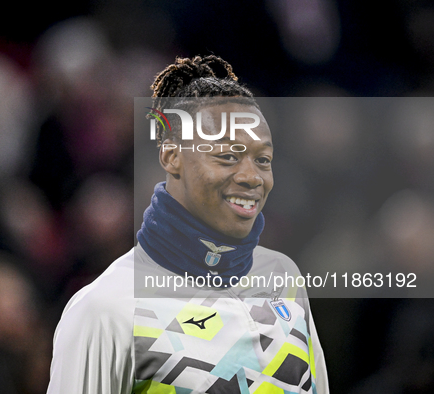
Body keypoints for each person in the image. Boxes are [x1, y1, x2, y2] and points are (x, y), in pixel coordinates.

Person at [47, 55, 329, 393]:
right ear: (171, 156)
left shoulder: (283, 276)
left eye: (262, 159)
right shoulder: (105, 309)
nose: (252, 177)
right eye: (227, 156)